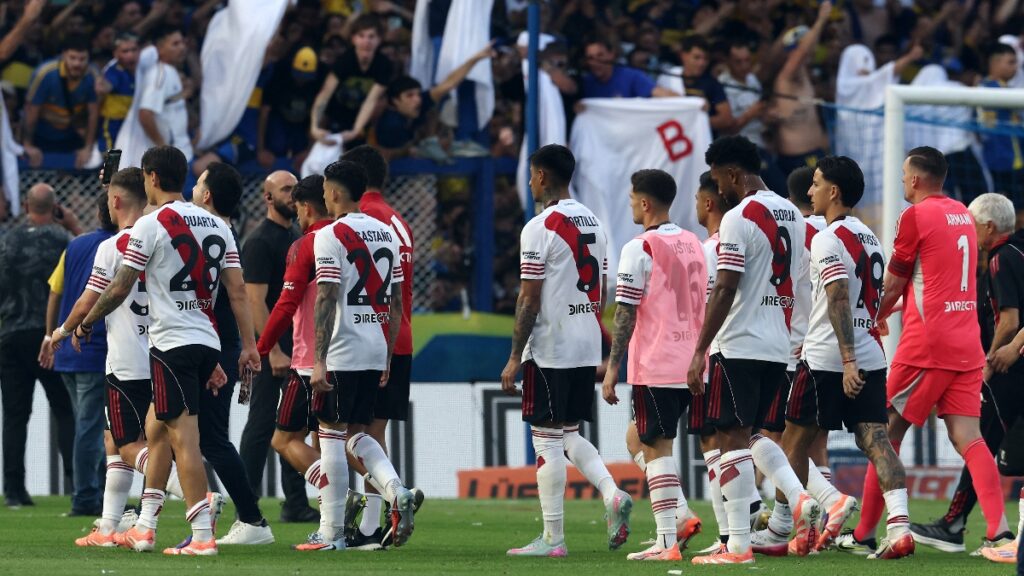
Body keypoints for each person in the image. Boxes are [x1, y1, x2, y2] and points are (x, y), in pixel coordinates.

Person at [72, 145, 261, 556]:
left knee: (183, 440)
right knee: (156, 431)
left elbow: (120, 286)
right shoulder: (218, 226)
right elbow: (238, 292)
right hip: (207, 340)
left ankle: (202, 534)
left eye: (143, 176)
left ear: (152, 178)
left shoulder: (150, 225)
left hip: (171, 344)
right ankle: (145, 525)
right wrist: (248, 345)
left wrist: (86, 323)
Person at [843, 146, 1011, 557]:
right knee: (968, 438)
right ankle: (1001, 533)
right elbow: (943, 278)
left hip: (927, 345)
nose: (901, 180)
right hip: (966, 341)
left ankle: (865, 531)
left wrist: (876, 316)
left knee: (883, 432)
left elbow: (898, 281)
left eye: (903, 174)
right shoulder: (964, 216)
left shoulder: (914, 216)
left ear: (916, 179)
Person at [686, 135, 818, 565]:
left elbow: (725, 286)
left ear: (732, 174)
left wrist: (700, 349)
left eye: (718, 179)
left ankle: (739, 545)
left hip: (739, 340)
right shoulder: (794, 216)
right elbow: (799, 283)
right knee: (756, 433)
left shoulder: (739, 218)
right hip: (778, 343)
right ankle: (801, 498)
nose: (718, 188)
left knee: (731, 439)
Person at [501, 144, 632, 558]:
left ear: (540, 176)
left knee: (546, 439)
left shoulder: (539, 227)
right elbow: (603, 288)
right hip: (587, 341)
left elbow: (528, 299)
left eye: (531, 174)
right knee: (568, 432)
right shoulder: (596, 222)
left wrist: (514, 356)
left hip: (552, 346)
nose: (529, 182)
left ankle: (553, 538)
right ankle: (611, 492)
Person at [783, 156, 909, 558]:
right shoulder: (868, 236)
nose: (810, 191)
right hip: (872, 353)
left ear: (833, 191)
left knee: (790, 444)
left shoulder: (826, 237)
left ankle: (815, 513)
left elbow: (838, 294)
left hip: (829, 358)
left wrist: (847, 359)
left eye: (816, 184)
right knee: (877, 443)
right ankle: (901, 528)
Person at [304, 160, 415, 551]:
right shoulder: (385, 233)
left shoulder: (330, 235)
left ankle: (330, 532)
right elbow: (397, 302)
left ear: (334, 192)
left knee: (330, 434)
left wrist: (318, 358)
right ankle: (395, 489)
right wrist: (386, 353)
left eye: (325, 189)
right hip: (374, 346)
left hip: (343, 348)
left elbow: (328, 296)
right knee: (359, 433)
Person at [49, 168, 160, 546]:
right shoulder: (165, 241)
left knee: (128, 442)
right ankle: (110, 525)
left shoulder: (113, 246)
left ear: (114, 201)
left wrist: (63, 332)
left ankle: (198, 496)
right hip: (164, 356)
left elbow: (88, 299)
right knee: (115, 439)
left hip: (127, 359)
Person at [601, 169, 706, 561]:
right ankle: (678, 513)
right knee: (637, 438)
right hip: (695, 364)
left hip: (658, 363)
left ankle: (666, 541)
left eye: (631, 199)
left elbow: (625, 312)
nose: (629, 204)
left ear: (645, 203)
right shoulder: (694, 242)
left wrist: (612, 368)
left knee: (656, 447)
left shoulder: (639, 248)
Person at [913, 193, 1024, 562]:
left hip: (1009, 372)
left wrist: (989, 363)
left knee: (982, 446)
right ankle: (957, 521)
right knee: (983, 446)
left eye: (972, 222)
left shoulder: (998, 260)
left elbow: (1008, 320)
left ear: (988, 227)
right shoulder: (1018, 253)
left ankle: (965, 525)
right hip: (1013, 369)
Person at [186, 162, 276, 546]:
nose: (194, 185)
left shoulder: (219, 235)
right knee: (189, 434)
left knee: (212, 439)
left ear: (206, 195)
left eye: (199, 181)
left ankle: (253, 520)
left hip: (216, 348)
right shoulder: (223, 233)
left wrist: (243, 347)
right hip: (219, 345)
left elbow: (237, 296)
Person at [341, 145, 421, 548]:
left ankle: (392, 495)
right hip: (399, 334)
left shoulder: (362, 219)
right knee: (373, 433)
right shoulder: (397, 220)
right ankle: (373, 526)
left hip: (369, 338)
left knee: (345, 434)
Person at [259, 175, 338, 547]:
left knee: (282, 438)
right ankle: (383, 492)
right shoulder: (354, 237)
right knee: (339, 438)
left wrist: (261, 347)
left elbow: (284, 304)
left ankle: (340, 497)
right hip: (355, 355)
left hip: (309, 359)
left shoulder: (306, 244)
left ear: (306, 207)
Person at [237, 170, 315, 524]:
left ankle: (295, 503)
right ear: (268, 198)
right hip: (274, 349)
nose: (292, 193)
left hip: (296, 347)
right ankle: (246, 502)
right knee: (261, 425)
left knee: (293, 427)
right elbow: (254, 299)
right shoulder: (259, 242)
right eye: (285, 189)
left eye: (294, 188)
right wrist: (272, 351)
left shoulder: (298, 237)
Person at [0, 184, 75, 509]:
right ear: (54, 206)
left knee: (15, 415)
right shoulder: (64, 241)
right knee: (65, 410)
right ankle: (79, 484)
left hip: (13, 334)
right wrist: (72, 224)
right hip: (52, 336)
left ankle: (14, 490)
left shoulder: (8, 241)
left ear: (27, 206)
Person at [48, 192, 116, 517]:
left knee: (85, 425)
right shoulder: (123, 247)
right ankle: (86, 497)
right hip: (93, 348)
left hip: (67, 354)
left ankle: (98, 493)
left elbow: (56, 290)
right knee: (91, 427)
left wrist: (51, 335)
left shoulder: (75, 245)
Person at [373, 43, 494, 157]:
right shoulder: (390, 124)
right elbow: (390, 155)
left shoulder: (419, 103)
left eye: (418, 94)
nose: (417, 100)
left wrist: (476, 58)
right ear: (395, 101)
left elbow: (448, 84)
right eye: (409, 96)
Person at [768, 2, 831, 177]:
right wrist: (821, 19)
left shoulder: (805, 73)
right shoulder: (786, 77)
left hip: (816, 152)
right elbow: (802, 52)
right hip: (796, 157)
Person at [310, 15, 392, 150]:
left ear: (379, 40)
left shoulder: (384, 65)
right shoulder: (344, 61)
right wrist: (314, 126)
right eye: (362, 36)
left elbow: (371, 100)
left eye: (371, 37)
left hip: (363, 116)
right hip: (337, 113)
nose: (367, 41)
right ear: (354, 39)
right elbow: (324, 95)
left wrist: (356, 130)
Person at [22, 34, 99, 168]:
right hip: (42, 133)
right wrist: (27, 144)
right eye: (72, 58)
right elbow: (31, 111)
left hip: (71, 134)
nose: (77, 64)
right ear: (63, 55)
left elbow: (93, 114)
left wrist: (88, 147)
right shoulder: (45, 73)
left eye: (82, 59)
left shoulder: (93, 74)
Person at [137, 27, 192, 163]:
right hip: (172, 160)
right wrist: (163, 149)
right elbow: (145, 114)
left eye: (182, 43)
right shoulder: (159, 75)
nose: (182, 48)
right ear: (160, 49)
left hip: (182, 153)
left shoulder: (171, 71)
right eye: (175, 44)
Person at [980, 43, 1024, 208]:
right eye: (1011, 62)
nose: (1015, 67)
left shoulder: (981, 87)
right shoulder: (1001, 89)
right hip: (1011, 158)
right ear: (995, 63)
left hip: (992, 157)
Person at [578, 38, 677, 98]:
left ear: (611, 55)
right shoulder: (588, 81)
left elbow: (664, 95)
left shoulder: (631, 76)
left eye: (600, 56)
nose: (596, 62)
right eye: (590, 58)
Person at [680, 35, 734, 135]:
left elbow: (726, 119)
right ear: (683, 55)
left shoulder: (713, 84)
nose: (701, 63)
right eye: (697, 57)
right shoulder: (668, 78)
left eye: (705, 59)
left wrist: (699, 120)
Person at [97, 32, 140, 152]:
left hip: (133, 124)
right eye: (125, 51)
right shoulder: (114, 71)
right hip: (114, 124)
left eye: (134, 50)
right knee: (111, 158)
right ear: (116, 54)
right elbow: (107, 85)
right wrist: (102, 87)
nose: (131, 55)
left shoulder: (142, 70)